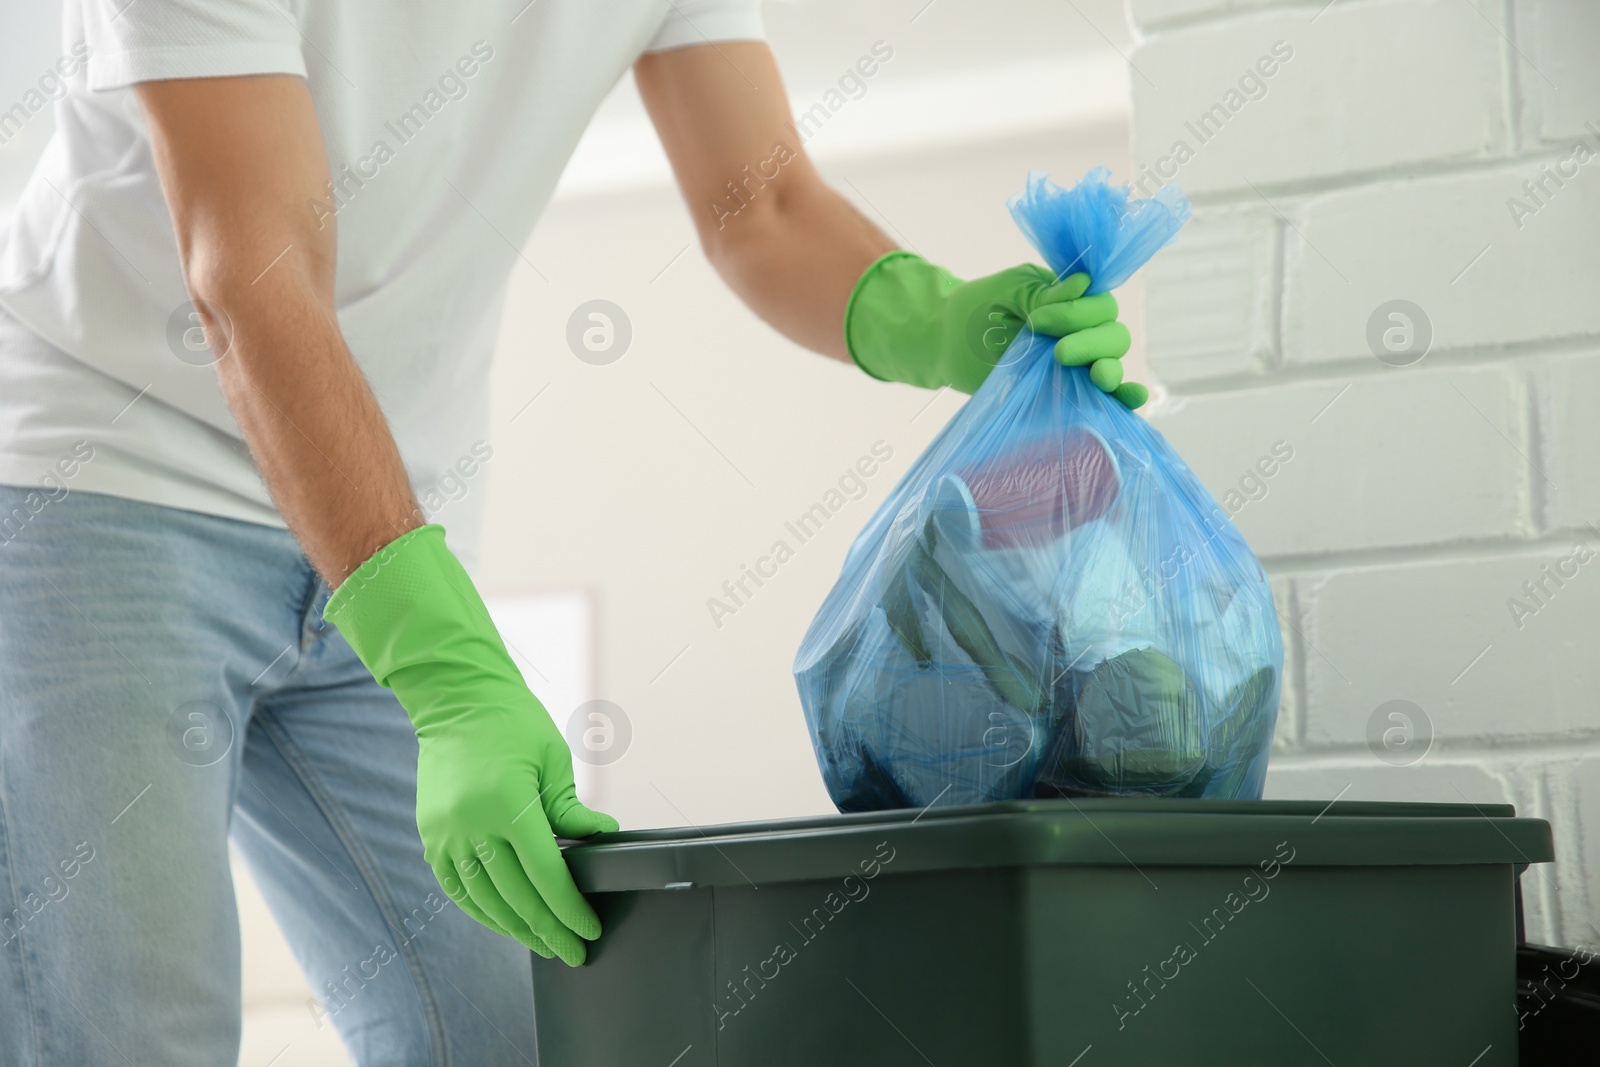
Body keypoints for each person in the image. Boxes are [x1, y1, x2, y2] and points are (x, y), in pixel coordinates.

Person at [0, 1, 1137, 1062]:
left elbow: (767, 206)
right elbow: (253, 281)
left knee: (527, 1028)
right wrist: (446, 670)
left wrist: (927, 317)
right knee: (130, 1028)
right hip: (98, 492)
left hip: (382, 511)